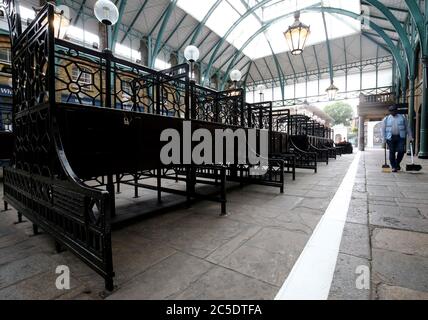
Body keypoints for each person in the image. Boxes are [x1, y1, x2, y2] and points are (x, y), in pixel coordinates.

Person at [381, 105, 413, 172]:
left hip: (400, 137)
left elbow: (407, 127)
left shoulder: (403, 117)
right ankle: (393, 167)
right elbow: (383, 130)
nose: (393, 112)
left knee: (401, 151)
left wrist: (410, 136)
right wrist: (383, 140)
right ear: (389, 112)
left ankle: (397, 163)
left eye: (394, 110)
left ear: (396, 110)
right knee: (392, 152)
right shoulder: (386, 119)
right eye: (391, 111)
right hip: (390, 137)